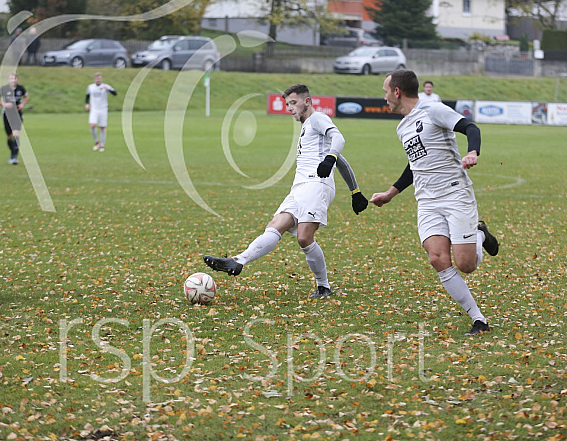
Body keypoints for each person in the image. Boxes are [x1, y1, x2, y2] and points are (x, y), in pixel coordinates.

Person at [203, 84, 369, 299]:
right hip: (299, 187)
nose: (290, 108)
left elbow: (339, 140)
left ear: (307, 101)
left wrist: (330, 159)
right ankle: (237, 261)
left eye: (293, 103)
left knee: (304, 238)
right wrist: (355, 191)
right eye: (287, 104)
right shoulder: (307, 127)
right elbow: (342, 162)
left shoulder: (317, 119)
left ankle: (323, 286)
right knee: (274, 226)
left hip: (316, 185)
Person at [370, 69, 499, 336]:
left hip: (455, 194)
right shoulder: (402, 126)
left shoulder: (433, 109)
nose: (384, 98)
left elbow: (470, 127)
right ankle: (479, 319)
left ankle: (478, 234)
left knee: (466, 265)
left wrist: (473, 151)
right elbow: (414, 165)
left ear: (397, 92)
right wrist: (391, 193)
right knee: (437, 258)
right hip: (426, 201)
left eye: (385, 92)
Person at [0, 73, 29, 164]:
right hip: (7, 114)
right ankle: (12, 153)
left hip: (17, 114)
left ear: (17, 79)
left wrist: (22, 104)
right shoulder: (4, 89)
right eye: (11, 78)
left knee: (16, 134)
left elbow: (26, 96)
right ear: (8, 80)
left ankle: (14, 157)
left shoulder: (21, 88)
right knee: (9, 136)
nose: (13, 80)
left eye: (15, 78)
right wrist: (4, 104)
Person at [85, 72, 116, 152]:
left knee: (102, 127)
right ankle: (96, 142)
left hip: (103, 109)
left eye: (100, 78)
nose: (98, 80)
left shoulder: (105, 86)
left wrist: (108, 89)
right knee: (92, 125)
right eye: (97, 78)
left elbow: (115, 93)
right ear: (95, 79)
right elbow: (87, 96)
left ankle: (102, 145)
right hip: (94, 109)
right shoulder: (91, 87)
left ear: (101, 79)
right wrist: (87, 104)